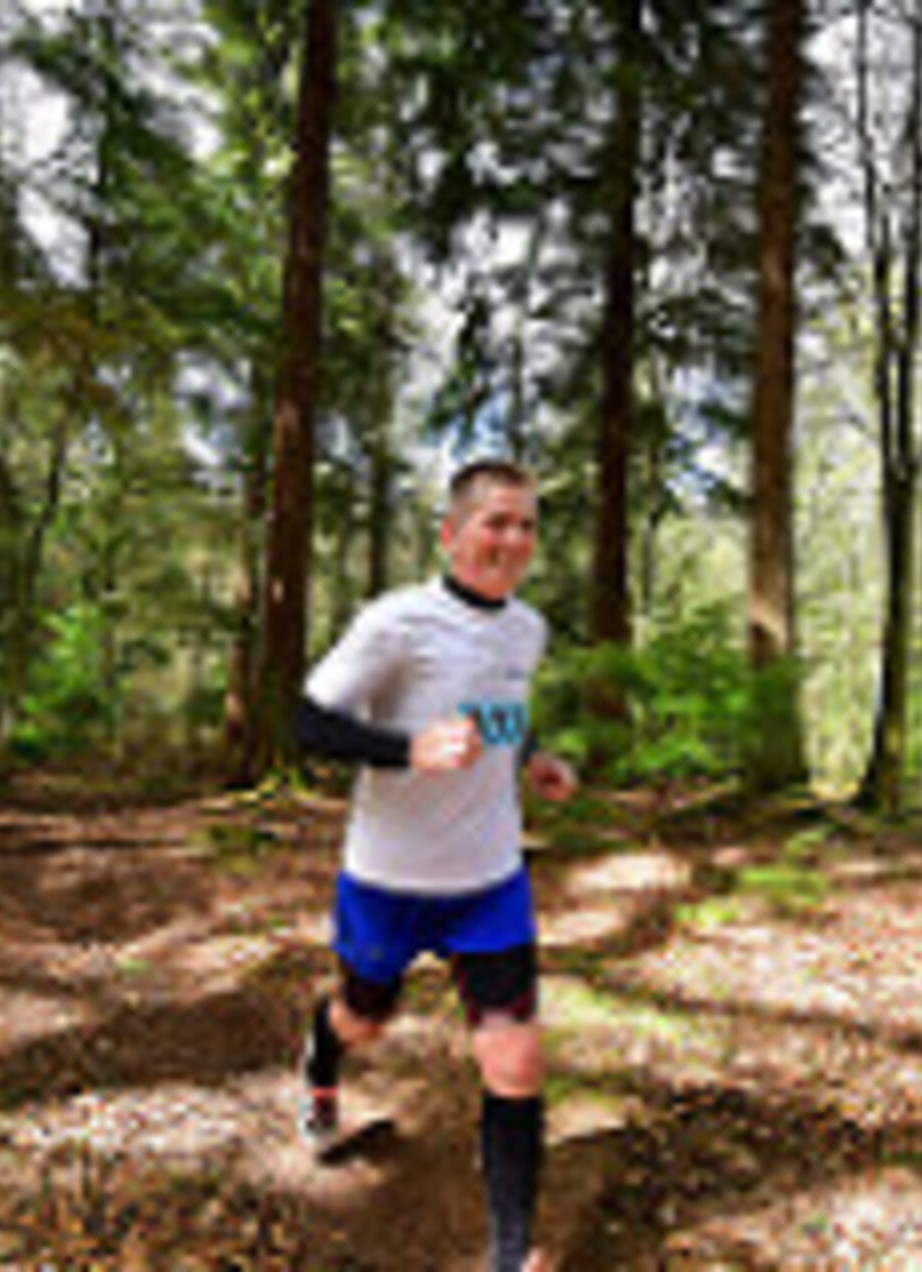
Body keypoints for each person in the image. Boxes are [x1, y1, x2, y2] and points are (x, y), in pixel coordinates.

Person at [294, 458, 578, 1272]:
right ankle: (321, 1059)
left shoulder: (526, 629)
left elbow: (497, 712)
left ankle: (510, 1255)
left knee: (515, 1062)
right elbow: (309, 723)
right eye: (496, 522)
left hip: (490, 883)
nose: (513, 539)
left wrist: (532, 757)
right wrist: (405, 750)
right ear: (453, 534)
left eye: (526, 525)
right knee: (364, 1020)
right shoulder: (396, 623)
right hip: (388, 881)